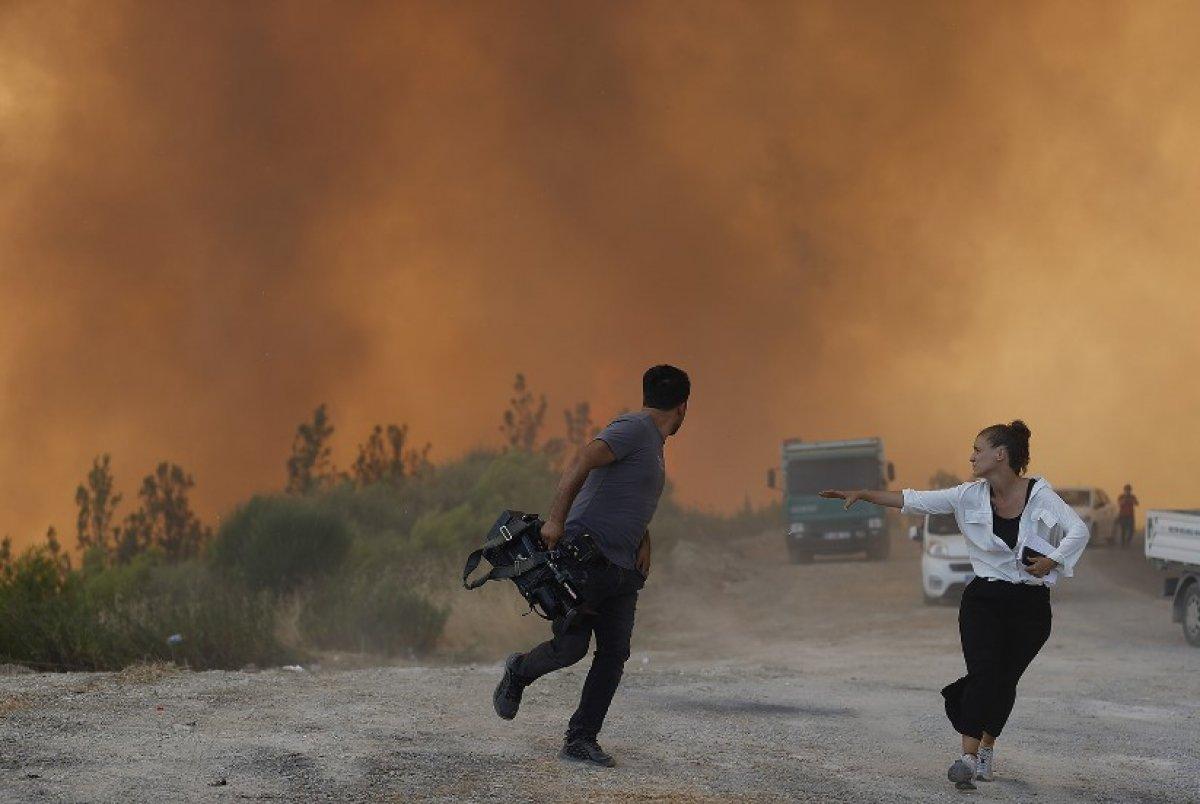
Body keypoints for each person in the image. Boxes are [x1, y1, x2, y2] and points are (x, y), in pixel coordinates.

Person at [820, 420, 1089, 789]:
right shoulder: (967, 496)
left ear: (1001, 454)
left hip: (1030, 605)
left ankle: (987, 748)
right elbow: (913, 500)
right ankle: (967, 759)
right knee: (984, 673)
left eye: (978, 450)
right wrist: (865, 494)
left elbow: (1078, 530)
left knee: (1004, 680)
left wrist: (1052, 560)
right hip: (983, 600)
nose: (972, 457)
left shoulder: (1041, 496)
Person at [491, 364, 690, 767]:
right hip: (586, 559)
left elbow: (630, 499)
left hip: (623, 569)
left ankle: (580, 739)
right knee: (571, 648)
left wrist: (645, 539)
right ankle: (519, 671)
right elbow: (582, 460)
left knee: (614, 653)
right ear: (683, 407)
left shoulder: (651, 443)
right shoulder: (634, 428)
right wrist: (555, 519)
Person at [1117, 484, 1139, 548]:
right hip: (1123, 515)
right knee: (1123, 530)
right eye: (1126, 490)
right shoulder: (1121, 496)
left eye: (1128, 490)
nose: (1127, 491)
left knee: (1132, 530)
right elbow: (1119, 503)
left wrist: (1132, 500)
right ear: (1124, 490)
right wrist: (1125, 500)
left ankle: (1127, 541)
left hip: (1130, 515)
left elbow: (1137, 503)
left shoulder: (1132, 496)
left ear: (1130, 491)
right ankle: (1123, 543)